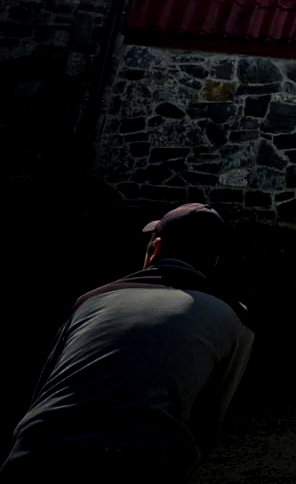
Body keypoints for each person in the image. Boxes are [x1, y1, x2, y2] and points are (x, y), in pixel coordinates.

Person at [3, 202, 254, 482]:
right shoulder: (233, 317)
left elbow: (42, 390)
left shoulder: (90, 301)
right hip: (137, 463)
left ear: (155, 249)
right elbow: (208, 422)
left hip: (33, 456)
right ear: (214, 260)